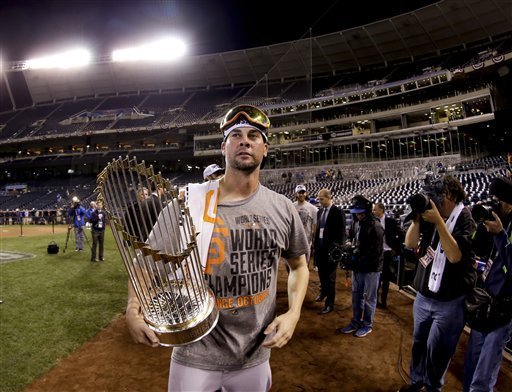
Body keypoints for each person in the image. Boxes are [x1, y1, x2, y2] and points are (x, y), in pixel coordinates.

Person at [125, 104, 310, 392]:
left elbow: (299, 265)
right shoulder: (187, 204)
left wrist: (294, 313)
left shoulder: (283, 208)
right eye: (236, 135)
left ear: (265, 149)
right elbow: (146, 265)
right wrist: (132, 310)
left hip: (254, 354)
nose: (245, 140)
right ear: (224, 148)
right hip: (193, 353)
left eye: (253, 135)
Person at [398, 175, 476, 392]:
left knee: (438, 351)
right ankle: (416, 383)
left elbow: (454, 256)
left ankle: (433, 387)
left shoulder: (465, 219)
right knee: (419, 344)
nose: (433, 201)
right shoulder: (431, 215)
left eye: (437, 196)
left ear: (450, 195)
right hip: (423, 297)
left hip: (450, 302)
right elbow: (410, 243)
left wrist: (439, 223)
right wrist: (417, 218)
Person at [463, 176, 512, 392]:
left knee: (482, 381)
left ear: (509, 203)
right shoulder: (491, 224)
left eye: (498, 201)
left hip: (502, 311)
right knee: (471, 369)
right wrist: (482, 228)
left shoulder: (505, 229)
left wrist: (501, 235)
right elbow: (476, 248)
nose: (494, 205)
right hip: (484, 306)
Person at [338, 195, 383, 337]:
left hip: (371, 268)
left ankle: (367, 324)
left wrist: (356, 253)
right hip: (358, 266)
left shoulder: (376, 226)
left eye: (361, 212)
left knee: (369, 297)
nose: (358, 215)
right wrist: (350, 247)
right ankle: (356, 321)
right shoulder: (356, 222)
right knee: (356, 295)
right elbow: (352, 238)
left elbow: (375, 252)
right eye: (356, 212)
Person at [313, 188, 346, 314]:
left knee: (330, 278)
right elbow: (318, 231)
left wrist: (338, 250)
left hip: (331, 251)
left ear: (329, 198)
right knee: (322, 274)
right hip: (321, 248)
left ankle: (329, 304)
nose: (319, 201)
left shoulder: (338, 212)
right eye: (319, 199)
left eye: (321, 199)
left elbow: (342, 232)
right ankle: (324, 293)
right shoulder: (320, 212)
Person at [372, 202, 405, 308]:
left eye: (375, 209)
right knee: (376, 277)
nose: (373, 211)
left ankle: (384, 301)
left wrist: (395, 248)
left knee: (385, 279)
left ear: (381, 210)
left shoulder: (390, 221)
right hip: (376, 253)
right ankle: (375, 300)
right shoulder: (373, 222)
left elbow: (401, 234)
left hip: (387, 253)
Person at [293, 184, 317, 266]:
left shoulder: (313, 208)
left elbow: (315, 225)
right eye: (299, 192)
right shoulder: (292, 206)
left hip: (307, 240)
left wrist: (314, 239)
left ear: (306, 193)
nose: (301, 194)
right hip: (294, 240)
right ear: (296, 194)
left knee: (305, 264)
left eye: (303, 192)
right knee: (295, 264)